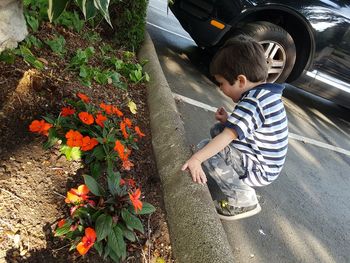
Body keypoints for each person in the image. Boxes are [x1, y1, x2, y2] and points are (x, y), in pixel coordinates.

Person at [181, 35, 289, 220]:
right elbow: (252, 127)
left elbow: (228, 137)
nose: (221, 89)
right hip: (264, 162)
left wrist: (197, 159)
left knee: (206, 147)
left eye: (221, 83)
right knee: (218, 130)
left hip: (259, 169)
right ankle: (237, 180)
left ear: (240, 80)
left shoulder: (253, 102)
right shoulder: (265, 94)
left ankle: (243, 199)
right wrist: (228, 120)